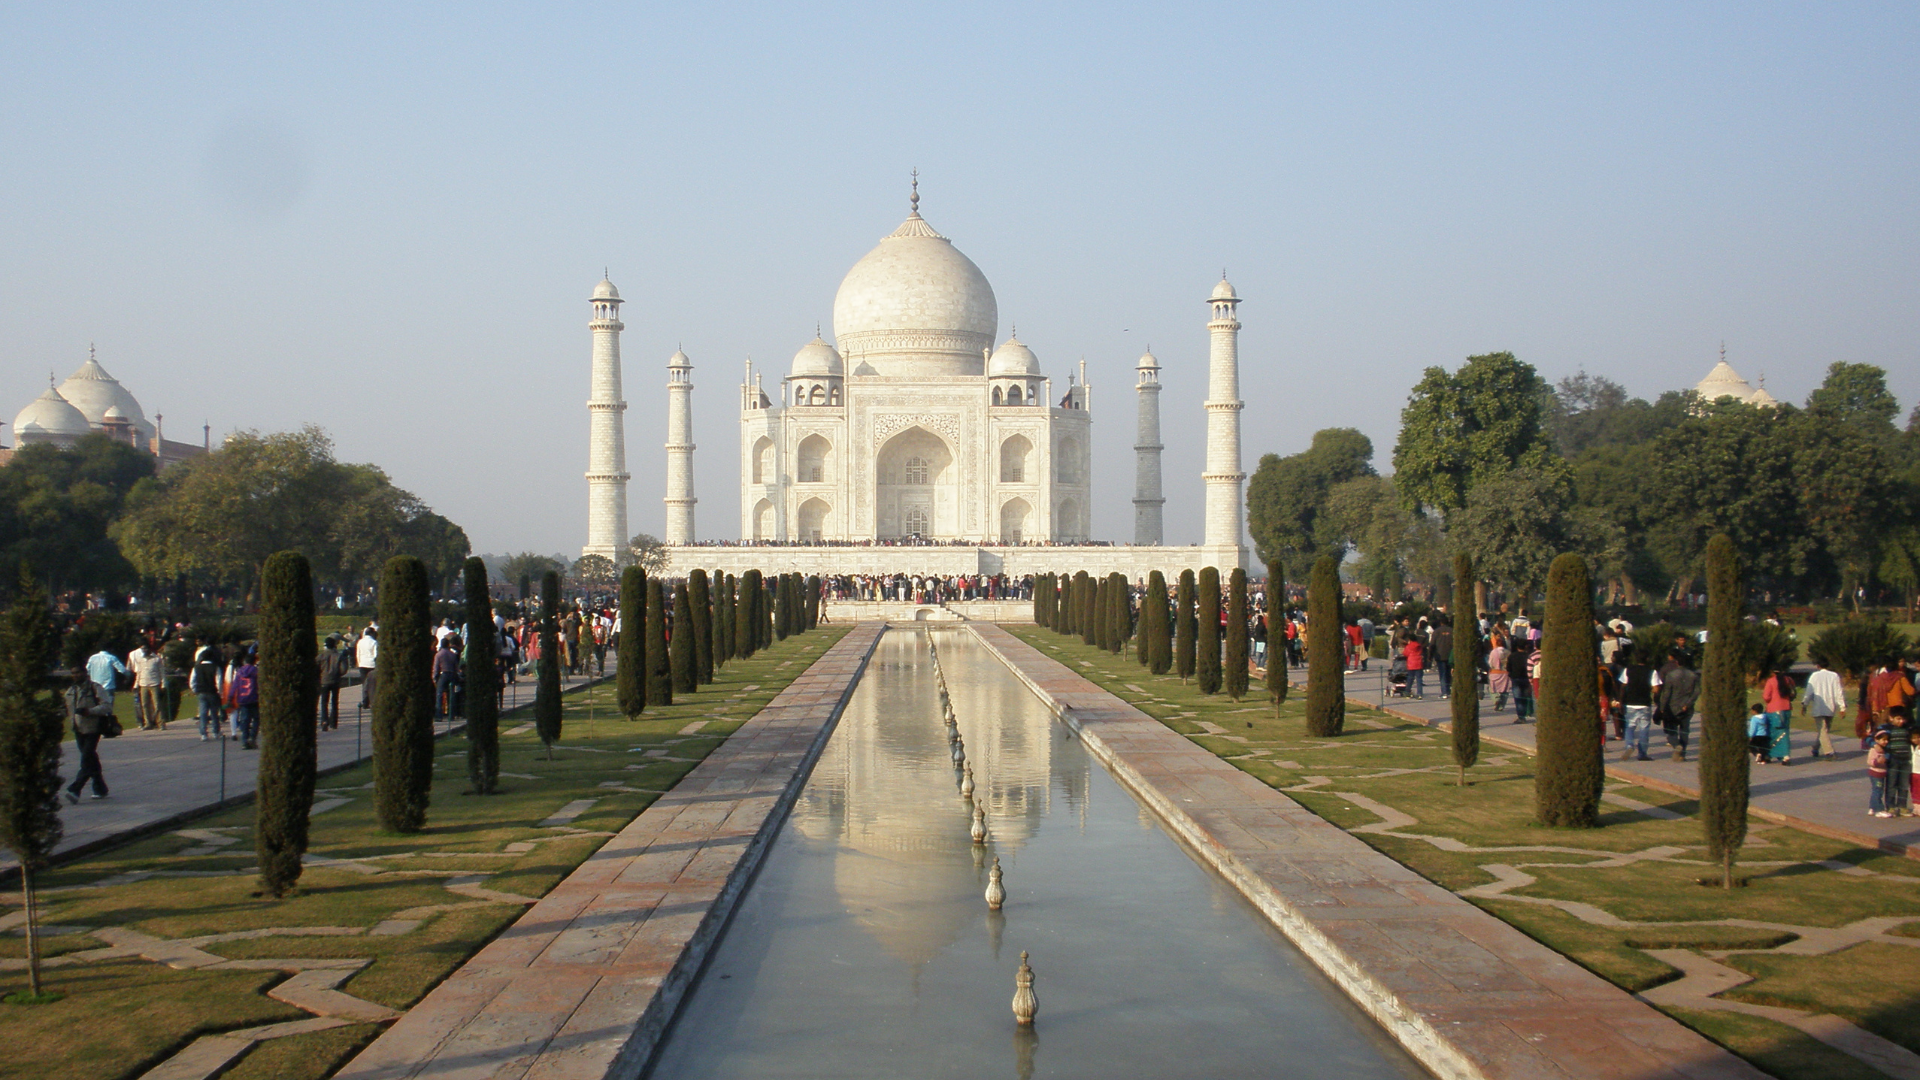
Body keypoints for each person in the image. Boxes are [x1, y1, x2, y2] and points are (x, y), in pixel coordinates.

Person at [63, 668, 113, 801]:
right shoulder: (71, 691)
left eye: (78, 672)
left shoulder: (95, 688)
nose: (76, 675)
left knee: (86, 758)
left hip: (93, 728)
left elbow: (107, 706)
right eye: (73, 673)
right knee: (91, 759)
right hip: (78, 729)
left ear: (86, 673)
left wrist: (90, 711)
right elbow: (67, 709)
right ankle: (100, 788)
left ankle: (75, 789)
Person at [1617, 646, 1662, 761]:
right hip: (1644, 703)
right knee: (1644, 728)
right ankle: (1642, 753)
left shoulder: (1628, 669)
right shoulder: (1651, 671)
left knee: (1629, 727)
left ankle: (1629, 745)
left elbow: (1623, 686)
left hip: (1630, 703)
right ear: (1647, 659)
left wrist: (1621, 702)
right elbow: (1656, 689)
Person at [1656, 651, 1701, 762]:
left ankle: (1676, 746)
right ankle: (1682, 754)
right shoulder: (1693, 675)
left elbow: (1666, 692)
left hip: (1673, 705)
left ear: (1677, 663)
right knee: (1685, 730)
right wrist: (1688, 704)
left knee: (1671, 730)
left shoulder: (1671, 675)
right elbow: (1697, 692)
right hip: (1687, 706)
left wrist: (1662, 706)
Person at [1802, 658, 1846, 761]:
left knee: (1823, 731)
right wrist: (1842, 707)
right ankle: (1829, 752)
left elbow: (1809, 691)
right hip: (1830, 707)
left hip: (1819, 707)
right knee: (1823, 730)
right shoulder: (1834, 675)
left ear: (1818, 666)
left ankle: (1815, 747)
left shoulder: (1815, 676)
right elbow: (1838, 692)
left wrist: (1805, 704)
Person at [1879, 708, 1914, 817]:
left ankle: (1902, 806)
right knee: (1892, 784)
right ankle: (1890, 806)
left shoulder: (1908, 728)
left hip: (1906, 760)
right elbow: (1872, 737)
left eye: (1903, 719)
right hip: (1893, 759)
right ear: (1891, 718)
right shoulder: (1885, 729)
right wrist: (1876, 746)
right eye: (1898, 719)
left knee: (1904, 784)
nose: (1901, 721)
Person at [129, 638, 167, 731]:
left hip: (155, 683)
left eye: (145, 649)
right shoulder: (141, 660)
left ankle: (160, 723)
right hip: (143, 684)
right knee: (145, 705)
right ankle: (148, 723)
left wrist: (163, 684)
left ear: (150, 649)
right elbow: (139, 673)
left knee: (157, 705)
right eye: (142, 649)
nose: (144, 651)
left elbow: (162, 672)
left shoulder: (156, 659)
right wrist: (135, 685)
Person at [190, 637, 225, 741]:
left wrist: (194, 689)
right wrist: (220, 692)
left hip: (201, 691)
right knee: (214, 713)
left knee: (203, 713)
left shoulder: (197, 668)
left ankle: (203, 733)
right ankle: (216, 731)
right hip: (212, 691)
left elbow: (192, 680)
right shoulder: (215, 667)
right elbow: (218, 681)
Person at [1761, 667, 1796, 764]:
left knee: (1774, 733)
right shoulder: (1789, 680)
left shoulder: (1771, 681)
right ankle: (1782, 755)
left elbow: (1766, 697)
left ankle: (1776, 754)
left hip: (1774, 710)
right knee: (1784, 732)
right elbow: (1793, 693)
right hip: (1786, 708)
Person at [85, 644, 131, 718]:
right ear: (109, 649)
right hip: (108, 686)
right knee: (108, 708)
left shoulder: (92, 658)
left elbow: (87, 670)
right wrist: (129, 675)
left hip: (95, 686)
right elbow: (122, 670)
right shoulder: (111, 657)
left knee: (96, 707)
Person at [317, 635, 351, 731]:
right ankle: (333, 722)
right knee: (334, 702)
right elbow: (343, 669)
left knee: (324, 702)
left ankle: (324, 720)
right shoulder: (338, 656)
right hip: (335, 680)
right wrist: (338, 674)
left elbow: (315, 667)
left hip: (324, 680)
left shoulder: (321, 656)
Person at [232, 649, 261, 750]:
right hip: (254, 698)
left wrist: (230, 697)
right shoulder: (256, 671)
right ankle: (252, 737)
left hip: (242, 699)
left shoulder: (240, 672)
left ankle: (245, 740)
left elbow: (235, 685)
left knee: (245, 720)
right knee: (256, 719)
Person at [433, 635, 462, 719]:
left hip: (444, 674)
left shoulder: (438, 655)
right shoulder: (452, 654)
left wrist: (435, 678)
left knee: (439, 694)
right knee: (451, 695)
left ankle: (439, 715)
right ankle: (451, 715)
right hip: (452, 674)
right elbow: (456, 667)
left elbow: (436, 668)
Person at [1868, 729, 1891, 817]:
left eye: (1887, 740)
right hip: (1876, 773)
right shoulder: (1874, 749)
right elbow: (1870, 761)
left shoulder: (1885, 750)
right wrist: (1877, 762)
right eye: (1883, 740)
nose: (1886, 742)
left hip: (1881, 773)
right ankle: (1879, 809)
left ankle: (1872, 807)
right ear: (1877, 740)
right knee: (1878, 791)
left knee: (1876, 790)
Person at [356, 626, 379, 711]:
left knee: (364, 684)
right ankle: (372, 701)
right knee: (372, 684)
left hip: (362, 664)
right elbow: (375, 655)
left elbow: (358, 654)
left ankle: (365, 701)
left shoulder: (360, 642)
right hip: (371, 665)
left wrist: (359, 663)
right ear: (372, 633)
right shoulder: (374, 642)